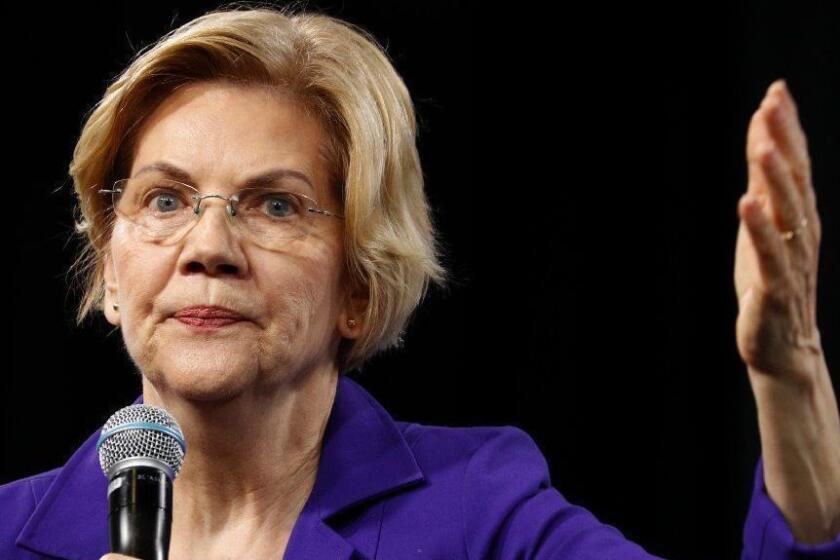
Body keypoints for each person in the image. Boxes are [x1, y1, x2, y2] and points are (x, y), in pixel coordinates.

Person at [1, 5, 838, 559]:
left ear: (361, 287)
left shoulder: (478, 514)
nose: (208, 246)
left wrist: (788, 377)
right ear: (112, 269)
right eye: (166, 200)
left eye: (276, 206)